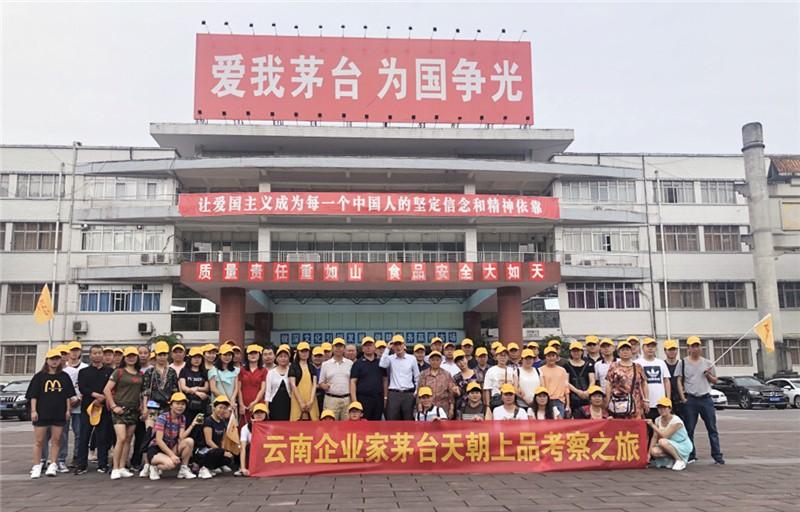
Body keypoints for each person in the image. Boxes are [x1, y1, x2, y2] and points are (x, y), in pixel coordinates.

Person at [27, 348, 76, 478]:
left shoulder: (64, 376)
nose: (54, 361)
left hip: (59, 412)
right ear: (47, 360)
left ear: (60, 360)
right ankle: (36, 465)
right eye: (52, 359)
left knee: (56, 439)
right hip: (42, 412)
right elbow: (33, 395)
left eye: (57, 359)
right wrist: (33, 411)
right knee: (39, 441)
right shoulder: (39, 376)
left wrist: (68, 410)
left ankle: (53, 464)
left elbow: (68, 396)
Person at [675, 336, 724, 465]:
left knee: (712, 428)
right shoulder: (682, 363)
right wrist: (682, 397)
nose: (695, 348)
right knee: (689, 429)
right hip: (691, 399)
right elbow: (679, 380)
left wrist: (708, 374)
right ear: (688, 348)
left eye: (697, 346)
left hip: (706, 399)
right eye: (693, 346)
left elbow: (715, 380)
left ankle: (717, 455)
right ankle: (691, 454)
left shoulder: (708, 363)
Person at [104, 346, 144, 480]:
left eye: (134, 356)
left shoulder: (140, 374)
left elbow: (142, 392)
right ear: (124, 358)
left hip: (134, 410)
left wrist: (142, 406)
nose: (131, 358)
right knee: (120, 438)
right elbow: (106, 390)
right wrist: (113, 406)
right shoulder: (118, 372)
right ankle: (115, 467)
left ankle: (122, 466)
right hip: (120, 409)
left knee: (128, 439)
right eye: (129, 356)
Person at [75, 345, 113, 475]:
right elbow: (82, 388)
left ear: (103, 355)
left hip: (103, 408)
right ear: (90, 355)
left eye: (99, 353)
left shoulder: (110, 371)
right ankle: (81, 465)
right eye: (94, 353)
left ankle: (103, 464)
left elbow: (112, 388)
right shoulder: (84, 372)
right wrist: (95, 395)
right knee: (84, 436)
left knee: (102, 437)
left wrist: (103, 398)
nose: (97, 355)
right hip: (88, 408)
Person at [146, 392, 198, 480]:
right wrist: (172, 455)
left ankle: (184, 468)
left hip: (171, 447)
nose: (180, 406)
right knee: (171, 464)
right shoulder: (162, 417)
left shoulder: (182, 418)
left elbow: (181, 437)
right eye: (177, 403)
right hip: (157, 449)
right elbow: (159, 440)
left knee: (189, 441)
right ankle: (154, 467)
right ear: (171, 405)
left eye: (183, 404)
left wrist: (192, 425)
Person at [635, 338, 671, 436]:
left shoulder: (661, 363)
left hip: (660, 404)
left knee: (659, 430)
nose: (650, 349)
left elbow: (666, 381)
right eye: (648, 346)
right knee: (645, 431)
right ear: (643, 348)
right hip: (644, 404)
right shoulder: (637, 363)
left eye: (653, 346)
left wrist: (668, 399)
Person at [380, 334, 420, 420]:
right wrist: (387, 349)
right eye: (395, 345)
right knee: (392, 420)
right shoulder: (390, 358)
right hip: (394, 394)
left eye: (400, 344)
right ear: (393, 347)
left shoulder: (412, 358)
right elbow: (382, 364)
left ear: (404, 345)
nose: (398, 347)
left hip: (408, 394)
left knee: (408, 420)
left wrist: (416, 391)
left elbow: (417, 377)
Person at [647, 397, 693, 471]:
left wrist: (652, 425)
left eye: (664, 408)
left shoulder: (676, 421)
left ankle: (679, 460)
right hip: (669, 444)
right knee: (654, 451)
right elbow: (654, 437)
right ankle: (672, 459)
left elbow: (665, 435)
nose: (662, 410)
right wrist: (649, 454)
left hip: (681, 444)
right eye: (659, 408)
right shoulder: (657, 419)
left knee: (662, 441)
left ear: (670, 409)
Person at [605, 340, 647, 419]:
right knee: (620, 424)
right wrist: (607, 400)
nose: (625, 352)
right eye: (622, 350)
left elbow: (644, 384)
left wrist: (646, 400)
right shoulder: (613, 366)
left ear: (631, 352)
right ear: (618, 353)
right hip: (618, 402)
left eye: (627, 350)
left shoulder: (638, 366)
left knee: (635, 424)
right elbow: (609, 384)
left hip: (635, 402)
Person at [195, 396, 235, 478]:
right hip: (203, 450)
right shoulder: (208, 421)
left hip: (215, 450)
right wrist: (221, 452)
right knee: (218, 453)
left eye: (224, 408)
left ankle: (212, 467)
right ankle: (204, 468)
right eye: (220, 407)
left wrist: (223, 451)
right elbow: (208, 441)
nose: (222, 410)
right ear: (214, 408)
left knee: (228, 457)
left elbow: (222, 440)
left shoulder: (222, 422)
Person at [349, 337, 386, 421]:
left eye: (370, 345)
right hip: (363, 398)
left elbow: (385, 380)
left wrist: (385, 397)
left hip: (378, 398)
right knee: (363, 423)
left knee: (377, 423)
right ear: (362, 348)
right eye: (366, 346)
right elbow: (353, 382)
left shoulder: (380, 363)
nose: (368, 347)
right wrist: (354, 400)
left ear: (374, 347)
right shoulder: (357, 363)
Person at [318, 338, 353, 420]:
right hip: (331, 400)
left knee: (347, 425)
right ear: (332, 348)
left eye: (341, 346)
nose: (338, 349)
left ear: (344, 348)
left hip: (347, 399)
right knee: (330, 426)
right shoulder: (325, 364)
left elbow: (353, 381)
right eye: (336, 346)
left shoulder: (350, 363)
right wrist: (323, 386)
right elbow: (321, 382)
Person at [418, 351, 458, 418]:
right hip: (428, 406)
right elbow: (420, 390)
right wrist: (419, 404)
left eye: (437, 360)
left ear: (441, 361)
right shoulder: (424, 374)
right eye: (433, 360)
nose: (435, 362)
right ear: (429, 361)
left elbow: (451, 393)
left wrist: (451, 408)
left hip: (443, 406)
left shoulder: (447, 374)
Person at [142, 341, 179, 412]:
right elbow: (145, 391)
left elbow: (175, 390)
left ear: (168, 355)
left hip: (168, 406)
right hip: (152, 405)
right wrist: (144, 408)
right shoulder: (150, 371)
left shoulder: (172, 371)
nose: (162, 357)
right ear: (156, 356)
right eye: (159, 355)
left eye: (164, 355)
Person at [289, 341, 319, 421]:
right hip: (297, 399)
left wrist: (311, 401)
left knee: (313, 421)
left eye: (306, 351)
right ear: (298, 352)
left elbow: (314, 384)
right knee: (296, 422)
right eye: (302, 351)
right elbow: (293, 385)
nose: (304, 353)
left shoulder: (312, 367)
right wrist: (300, 402)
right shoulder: (293, 367)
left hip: (311, 398)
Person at [179, 347, 210, 425]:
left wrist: (196, 388)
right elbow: (183, 387)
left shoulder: (204, 372)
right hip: (188, 405)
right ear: (190, 358)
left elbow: (206, 388)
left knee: (199, 426)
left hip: (201, 405)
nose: (197, 360)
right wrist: (197, 393)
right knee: (187, 425)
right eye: (194, 357)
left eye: (199, 357)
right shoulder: (184, 371)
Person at [564, 341, 595, 419]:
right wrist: (578, 392)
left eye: (578, 350)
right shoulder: (566, 365)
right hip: (573, 397)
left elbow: (592, 380)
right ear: (570, 352)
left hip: (587, 396)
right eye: (573, 351)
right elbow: (566, 382)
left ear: (582, 352)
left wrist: (588, 391)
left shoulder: (589, 364)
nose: (576, 353)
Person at [208, 344, 240, 418]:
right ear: (220, 356)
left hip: (232, 404)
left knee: (232, 423)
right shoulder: (213, 370)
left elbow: (236, 387)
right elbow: (213, 389)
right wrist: (226, 401)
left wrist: (232, 399)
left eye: (229, 355)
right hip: (218, 403)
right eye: (225, 355)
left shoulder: (236, 370)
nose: (227, 357)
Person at [238, 344, 267, 424]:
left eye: (255, 353)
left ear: (259, 355)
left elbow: (263, 388)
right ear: (247, 356)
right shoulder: (241, 370)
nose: (253, 355)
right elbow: (239, 389)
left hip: (258, 403)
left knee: (258, 426)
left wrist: (255, 401)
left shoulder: (264, 370)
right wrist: (241, 404)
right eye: (251, 353)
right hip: (244, 403)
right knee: (243, 426)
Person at [539, 346, 570, 417]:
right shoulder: (540, 370)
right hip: (546, 401)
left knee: (559, 422)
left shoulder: (562, 370)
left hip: (560, 401)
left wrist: (568, 405)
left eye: (553, 355)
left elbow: (566, 388)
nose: (551, 358)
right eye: (549, 356)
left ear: (556, 357)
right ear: (545, 357)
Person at [238, 402, 267, 476]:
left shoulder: (270, 427)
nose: (259, 415)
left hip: (266, 455)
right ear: (253, 415)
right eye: (257, 413)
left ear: (266, 415)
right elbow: (243, 448)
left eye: (262, 412)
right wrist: (243, 468)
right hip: (252, 455)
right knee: (249, 446)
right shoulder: (245, 428)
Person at [265, 344, 292, 420]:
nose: (283, 359)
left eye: (285, 356)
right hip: (274, 403)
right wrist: (266, 407)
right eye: (280, 356)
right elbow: (268, 392)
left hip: (288, 403)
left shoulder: (292, 371)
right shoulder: (271, 373)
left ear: (288, 358)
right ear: (276, 359)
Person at [663, 339, 684, 418]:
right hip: (666, 399)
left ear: (677, 350)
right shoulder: (662, 365)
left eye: (674, 349)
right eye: (669, 350)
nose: (672, 352)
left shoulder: (682, 364)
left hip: (680, 399)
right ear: (665, 351)